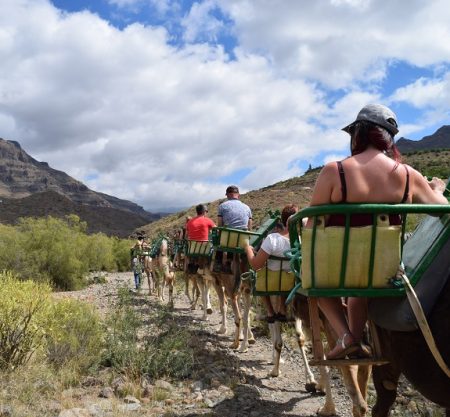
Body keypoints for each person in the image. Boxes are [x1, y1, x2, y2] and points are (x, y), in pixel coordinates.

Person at [309, 103, 448, 360]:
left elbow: (311, 227)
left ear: (358, 134)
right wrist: (436, 190)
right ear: (388, 138)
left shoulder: (334, 171)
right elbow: (443, 210)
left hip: (337, 268)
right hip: (385, 269)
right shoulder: (408, 175)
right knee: (362, 286)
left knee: (314, 283)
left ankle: (347, 336)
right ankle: (357, 334)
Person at [245, 204, 298, 322]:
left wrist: (248, 249)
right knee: (286, 273)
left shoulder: (272, 239)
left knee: (262, 272)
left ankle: (270, 311)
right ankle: (282, 309)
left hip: (268, 283)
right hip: (289, 284)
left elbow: (255, 265)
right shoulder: (300, 240)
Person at [214, 185, 253, 273]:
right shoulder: (247, 207)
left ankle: (219, 264)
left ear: (227, 195)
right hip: (243, 240)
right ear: (238, 195)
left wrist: (220, 234)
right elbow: (250, 224)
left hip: (228, 239)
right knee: (236, 238)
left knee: (222, 239)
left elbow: (220, 224)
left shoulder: (222, 206)